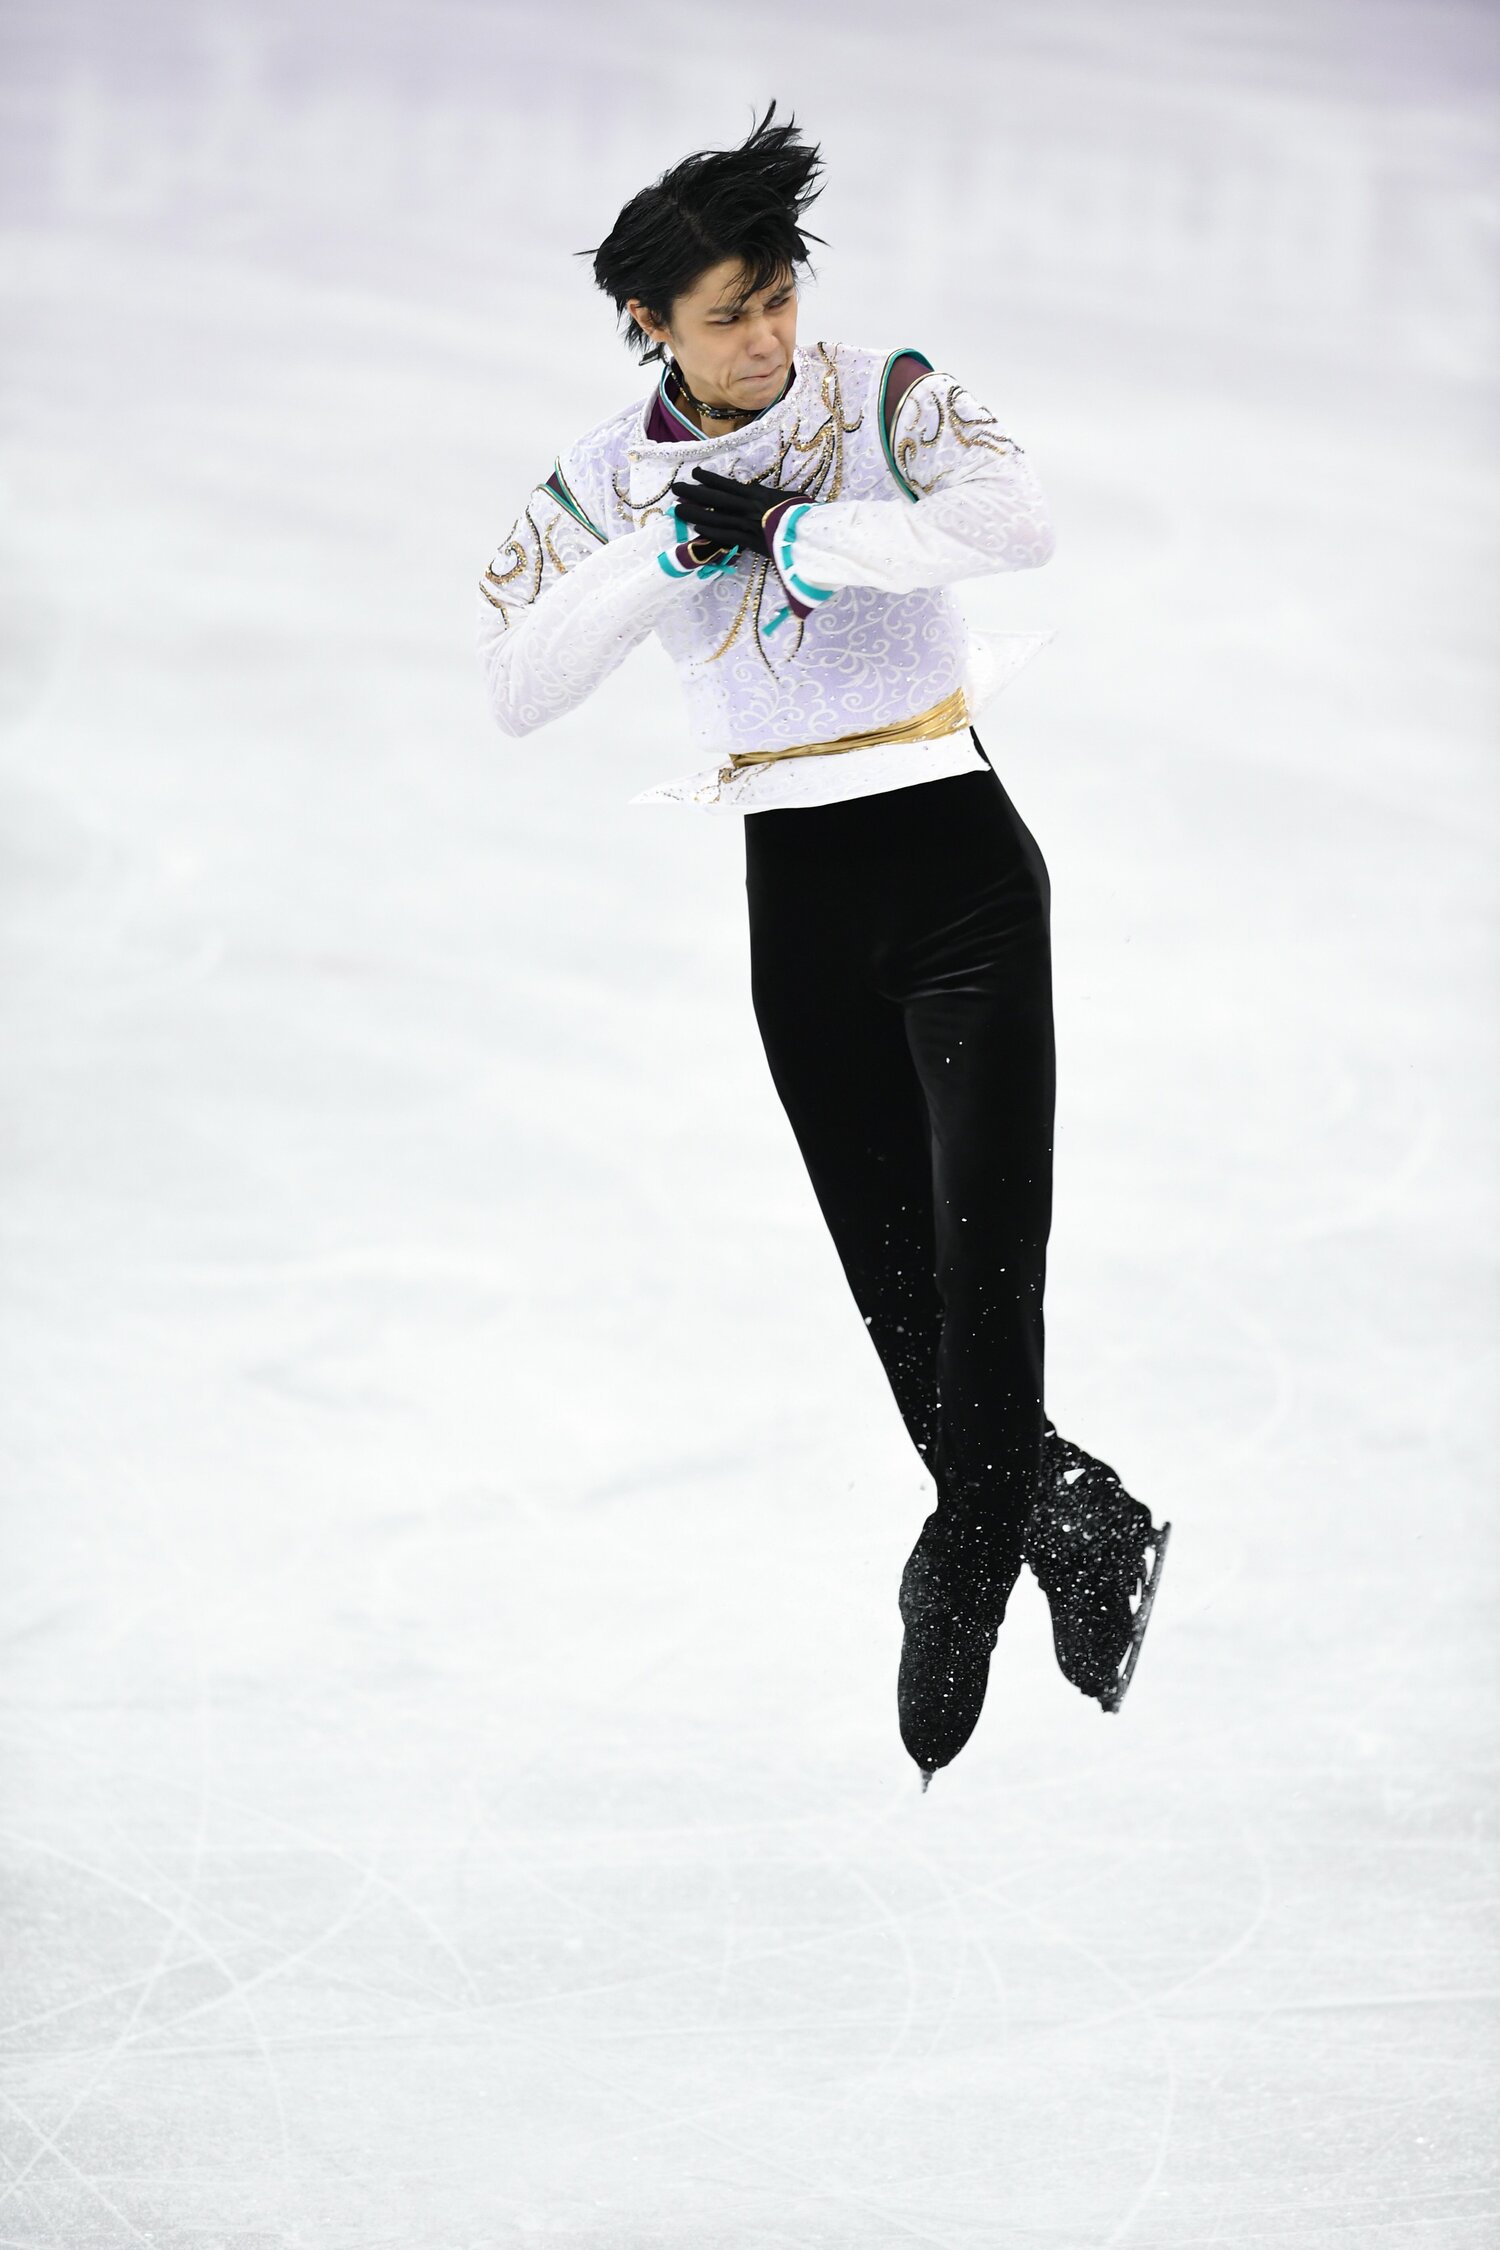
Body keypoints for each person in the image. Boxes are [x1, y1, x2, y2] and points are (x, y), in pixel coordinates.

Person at [475, 101, 1169, 1788]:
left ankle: (965, 1564)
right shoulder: (603, 476)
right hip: (797, 897)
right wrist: (667, 545)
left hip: (959, 868)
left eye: (778, 293)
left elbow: (1019, 524)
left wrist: (799, 529)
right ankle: (1076, 1516)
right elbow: (517, 687)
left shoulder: (883, 399)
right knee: (901, 1295)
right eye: (729, 314)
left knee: (990, 1273)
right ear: (653, 324)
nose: (770, 334)